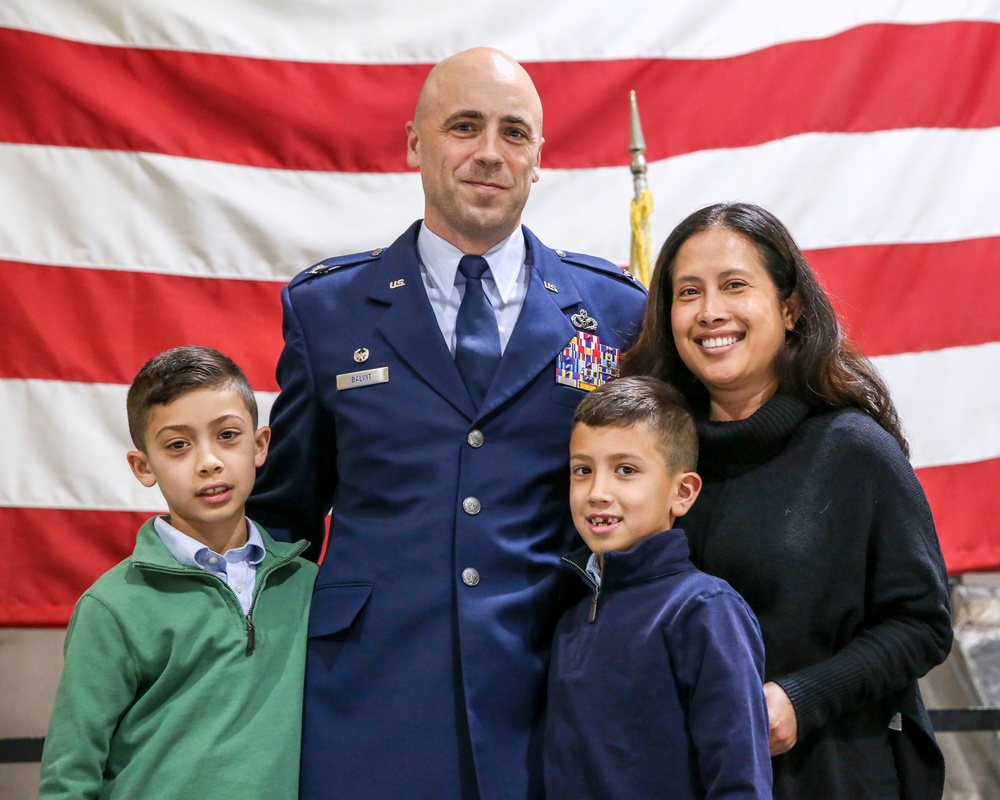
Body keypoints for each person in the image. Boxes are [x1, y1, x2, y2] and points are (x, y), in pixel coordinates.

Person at [247, 47, 647, 799]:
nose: (489, 153)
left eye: (513, 133)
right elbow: (285, 519)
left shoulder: (614, 312)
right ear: (415, 143)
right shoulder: (329, 311)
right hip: (368, 698)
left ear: (538, 158)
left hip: (550, 693)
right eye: (464, 127)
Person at [622, 202, 954, 799]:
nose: (710, 312)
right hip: (675, 774)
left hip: (825, 774)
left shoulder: (853, 449)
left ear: (791, 307)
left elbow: (922, 624)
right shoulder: (649, 454)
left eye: (734, 285)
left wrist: (800, 700)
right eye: (688, 292)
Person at [37, 346, 316, 800]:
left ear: (261, 444)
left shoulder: (306, 584)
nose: (208, 461)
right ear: (143, 466)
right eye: (178, 445)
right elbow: (70, 774)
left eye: (227, 435)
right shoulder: (112, 607)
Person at [543, 376, 772, 799]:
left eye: (625, 470)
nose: (598, 492)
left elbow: (740, 779)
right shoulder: (572, 618)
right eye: (582, 471)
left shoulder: (705, 610)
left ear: (682, 492)